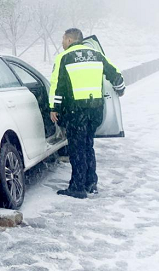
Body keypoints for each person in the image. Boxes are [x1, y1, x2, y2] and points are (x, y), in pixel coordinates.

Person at [49, 28, 125, 199]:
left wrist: (54, 108)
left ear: (69, 40)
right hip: (95, 110)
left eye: (63, 39)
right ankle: (91, 183)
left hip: (76, 111)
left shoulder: (64, 57)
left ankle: (77, 187)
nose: (62, 43)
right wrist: (120, 90)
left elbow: (58, 85)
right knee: (88, 146)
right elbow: (115, 74)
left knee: (77, 149)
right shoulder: (96, 54)